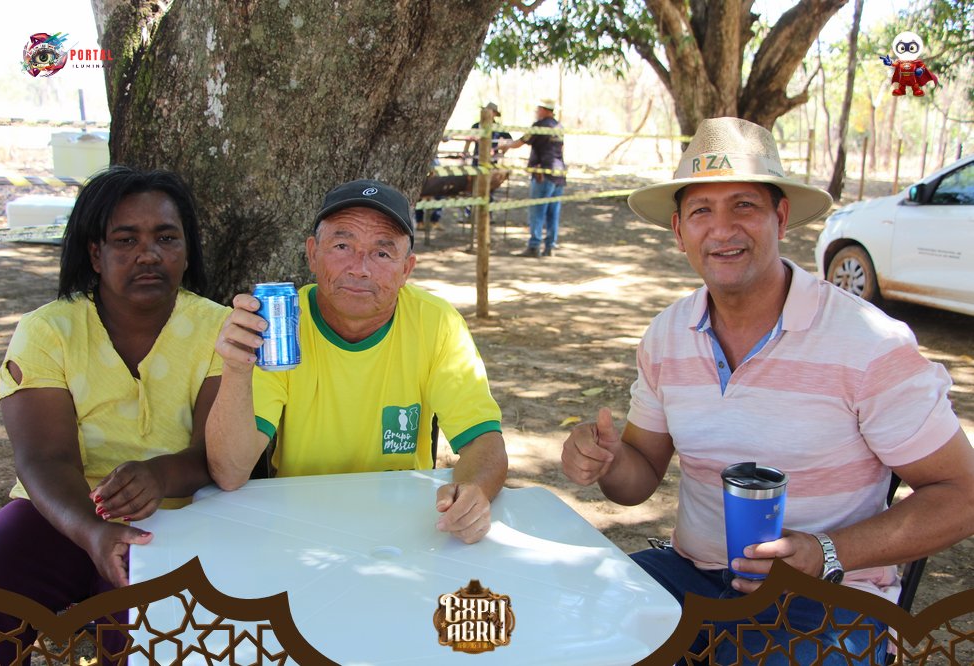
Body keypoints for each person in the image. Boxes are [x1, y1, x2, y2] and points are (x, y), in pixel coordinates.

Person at [561, 117, 974, 664]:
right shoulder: (667, 335)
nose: (723, 229)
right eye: (702, 211)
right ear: (680, 231)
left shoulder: (868, 343)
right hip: (692, 578)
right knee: (564, 630)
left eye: (744, 206)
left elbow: (963, 494)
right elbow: (637, 480)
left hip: (829, 600)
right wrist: (608, 461)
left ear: (780, 217)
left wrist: (825, 552)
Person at [0, 166, 230, 664]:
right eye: (126, 240)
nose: (148, 254)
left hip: (180, 515)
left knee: (155, 641)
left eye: (166, 238)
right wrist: (92, 531)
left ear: (186, 251)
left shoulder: (220, 330)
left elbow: (215, 454)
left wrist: (160, 475)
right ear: (96, 253)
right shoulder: (48, 331)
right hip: (58, 508)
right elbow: (43, 458)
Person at [207, 178, 508, 544]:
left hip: (403, 525)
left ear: (406, 269)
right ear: (312, 254)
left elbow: (483, 441)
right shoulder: (282, 325)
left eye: (382, 253)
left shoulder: (437, 323)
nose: (360, 268)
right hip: (298, 525)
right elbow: (230, 471)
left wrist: (473, 491)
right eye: (342, 246)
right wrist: (235, 369)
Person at [500, 99, 566, 257]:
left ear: (545, 110)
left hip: (543, 173)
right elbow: (561, 148)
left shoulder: (539, 126)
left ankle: (534, 245)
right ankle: (550, 246)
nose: (537, 111)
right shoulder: (559, 127)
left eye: (539, 109)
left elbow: (521, 141)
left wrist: (505, 145)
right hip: (559, 173)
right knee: (553, 212)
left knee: (537, 211)